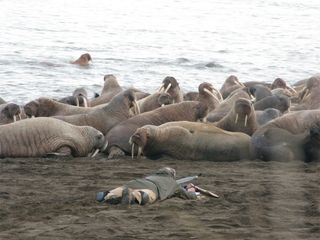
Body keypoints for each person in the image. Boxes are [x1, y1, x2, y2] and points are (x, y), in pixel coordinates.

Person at [96, 167, 198, 205]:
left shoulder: (151, 175)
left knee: (120, 190)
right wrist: (191, 189)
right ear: (172, 175)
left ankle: (108, 195)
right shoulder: (174, 184)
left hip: (136, 182)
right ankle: (133, 197)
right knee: (143, 195)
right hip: (152, 188)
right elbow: (189, 196)